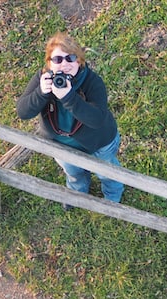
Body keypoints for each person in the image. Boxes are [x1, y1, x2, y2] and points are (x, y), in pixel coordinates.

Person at [16, 32, 124, 207]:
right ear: (49, 62)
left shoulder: (92, 81)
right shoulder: (43, 78)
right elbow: (23, 112)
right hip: (62, 146)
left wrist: (68, 97)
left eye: (70, 58)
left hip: (98, 143)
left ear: (79, 61)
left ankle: (112, 198)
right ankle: (77, 194)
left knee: (107, 173)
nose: (64, 64)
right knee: (73, 173)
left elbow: (97, 120)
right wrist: (41, 93)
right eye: (57, 59)